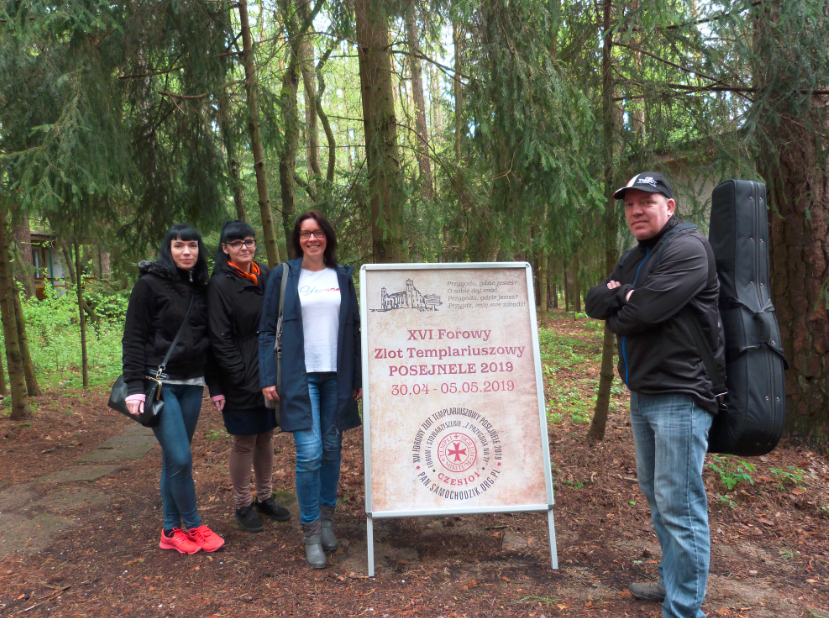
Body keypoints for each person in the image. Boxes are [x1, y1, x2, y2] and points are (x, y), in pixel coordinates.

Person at [585, 172, 724, 618]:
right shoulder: (635, 255)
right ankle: (673, 583)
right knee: (659, 497)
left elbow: (640, 312)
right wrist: (624, 298)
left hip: (681, 392)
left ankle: (685, 610)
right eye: (629, 205)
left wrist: (623, 298)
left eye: (646, 202)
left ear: (670, 205)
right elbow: (593, 303)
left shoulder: (688, 248)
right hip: (644, 392)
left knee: (679, 503)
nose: (636, 211)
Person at [258, 210, 362, 569]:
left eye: (317, 233)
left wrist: (357, 377)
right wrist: (268, 377)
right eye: (305, 234)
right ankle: (311, 532)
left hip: (337, 376)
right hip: (299, 377)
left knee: (332, 449)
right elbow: (267, 329)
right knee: (309, 453)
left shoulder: (342, 276)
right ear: (297, 239)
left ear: (327, 237)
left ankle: (328, 521)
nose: (312, 239)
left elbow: (354, 328)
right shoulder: (284, 275)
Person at [122, 224, 225, 554]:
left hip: (192, 386)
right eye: (179, 246)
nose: (186, 252)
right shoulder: (149, 285)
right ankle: (193, 525)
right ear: (168, 249)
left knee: (172, 460)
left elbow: (209, 343)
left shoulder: (201, 288)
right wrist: (134, 387)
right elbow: (133, 337)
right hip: (160, 385)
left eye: (192, 246)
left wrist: (215, 386)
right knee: (181, 458)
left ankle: (170, 530)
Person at [206, 221, 291, 533]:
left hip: (268, 368)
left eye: (249, 241)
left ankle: (265, 497)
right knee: (244, 441)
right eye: (237, 243)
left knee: (266, 435)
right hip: (239, 375)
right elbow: (218, 337)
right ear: (226, 248)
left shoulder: (265, 273)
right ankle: (243, 504)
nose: (244, 247)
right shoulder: (220, 283)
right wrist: (238, 375)